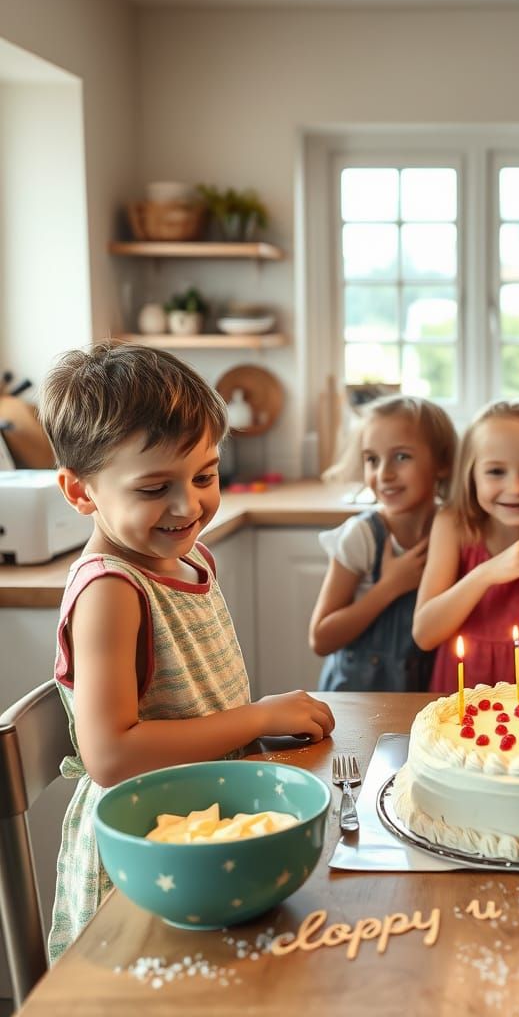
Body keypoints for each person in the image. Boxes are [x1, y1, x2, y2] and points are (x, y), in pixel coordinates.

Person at [38, 343, 335, 963]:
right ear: (80, 492)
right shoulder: (112, 591)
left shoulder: (189, 556)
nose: (188, 506)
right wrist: (258, 717)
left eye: (205, 475)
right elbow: (112, 756)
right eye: (154, 488)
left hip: (204, 822)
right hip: (150, 849)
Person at [413, 400, 519, 691]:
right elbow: (425, 633)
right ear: (471, 475)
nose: (516, 488)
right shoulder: (453, 526)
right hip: (457, 705)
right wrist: (487, 572)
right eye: (495, 472)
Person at [309, 395, 457, 691]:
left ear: (442, 463)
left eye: (401, 457)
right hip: (355, 700)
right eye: (372, 459)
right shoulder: (361, 537)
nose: (384, 474)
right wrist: (389, 587)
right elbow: (321, 638)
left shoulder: (454, 531)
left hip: (422, 702)